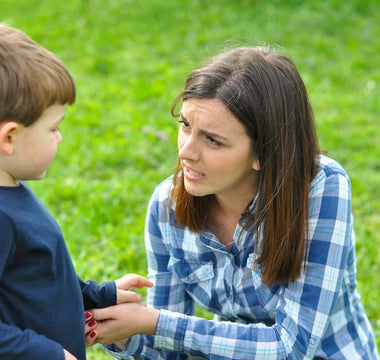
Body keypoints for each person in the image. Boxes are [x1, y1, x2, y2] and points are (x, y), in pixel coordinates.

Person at [87, 46, 379, 359]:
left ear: (264, 153)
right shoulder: (167, 205)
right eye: (185, 125)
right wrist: (121, 332)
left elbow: (290, 347)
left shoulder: (320, 189)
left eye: (212, 140)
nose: (186, 151)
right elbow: (169, 350)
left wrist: (155, 324)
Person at [0, 23, 153, 360]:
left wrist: (100, 294)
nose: (60, 137)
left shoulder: (13, 189)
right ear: (9, 137)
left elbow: (39, 278)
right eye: (53, 128)